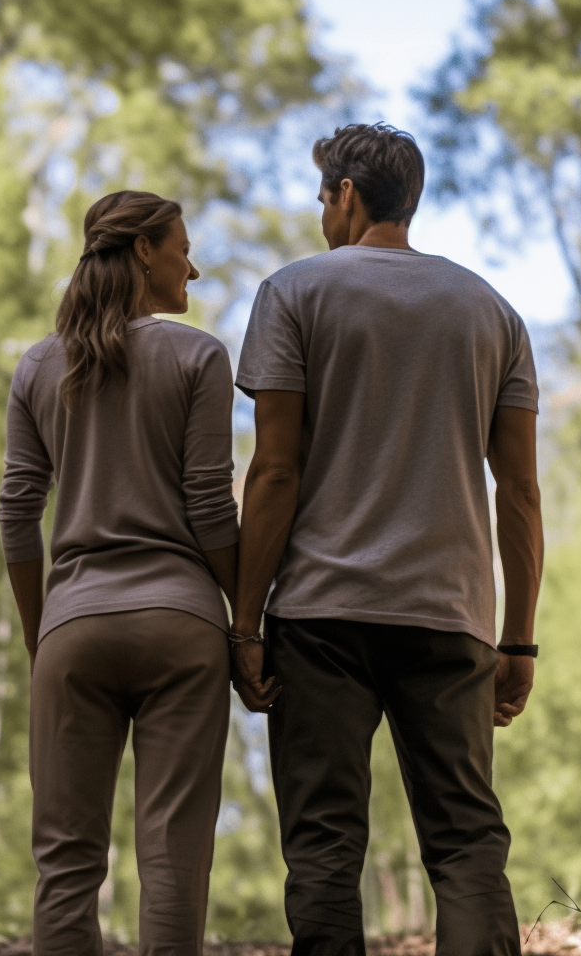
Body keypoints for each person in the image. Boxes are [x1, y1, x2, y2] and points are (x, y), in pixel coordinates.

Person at [230, 123, 543, 956]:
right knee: (468, 842)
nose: (319, 212)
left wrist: (244, 621)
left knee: (326, 848)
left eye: (321, 194)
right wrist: (520, 639)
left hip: (320, 618)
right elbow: (519, 492)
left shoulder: (293, 293)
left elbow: (275, 473)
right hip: (452, 617)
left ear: (348, 195)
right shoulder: (492, 311)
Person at [0, 190, 239, 956]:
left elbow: (16, 513)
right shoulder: (198, 356)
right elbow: (210, 509)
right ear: (144, 249)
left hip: (73, 628)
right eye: (181, 248)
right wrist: (248, 618)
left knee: (65, 862)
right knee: (173, 856)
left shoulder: (38, 365)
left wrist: (45, 635)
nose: (191, 268)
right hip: (183, 628)